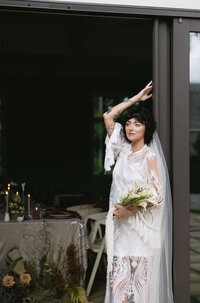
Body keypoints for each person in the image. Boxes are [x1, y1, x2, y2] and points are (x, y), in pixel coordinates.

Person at [103, 81, 174, 303]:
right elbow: (108, 116)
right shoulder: (122, 150)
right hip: (121, 232)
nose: (131, 128)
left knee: (141, 291)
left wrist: (129, 210)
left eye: (137, 124)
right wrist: (135, 98)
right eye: (129, 124)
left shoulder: (149, 157)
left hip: (142, 231)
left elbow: (156, 195)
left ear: (147, 129)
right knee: (119, 288)